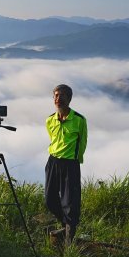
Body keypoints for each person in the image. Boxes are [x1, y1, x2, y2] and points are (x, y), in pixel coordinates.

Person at [45, 84, 88, 247]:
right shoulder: (50, 120)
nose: (58, 99)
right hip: (53, 161)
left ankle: (69, 240)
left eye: (62, 96)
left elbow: (83, 142)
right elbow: (52, 138)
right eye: (55, 96)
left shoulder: (79, 120)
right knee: (49, 200)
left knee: (71, 202)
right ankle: (65, 224)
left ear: (69, 99)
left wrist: (75, 160)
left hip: (70, 163)